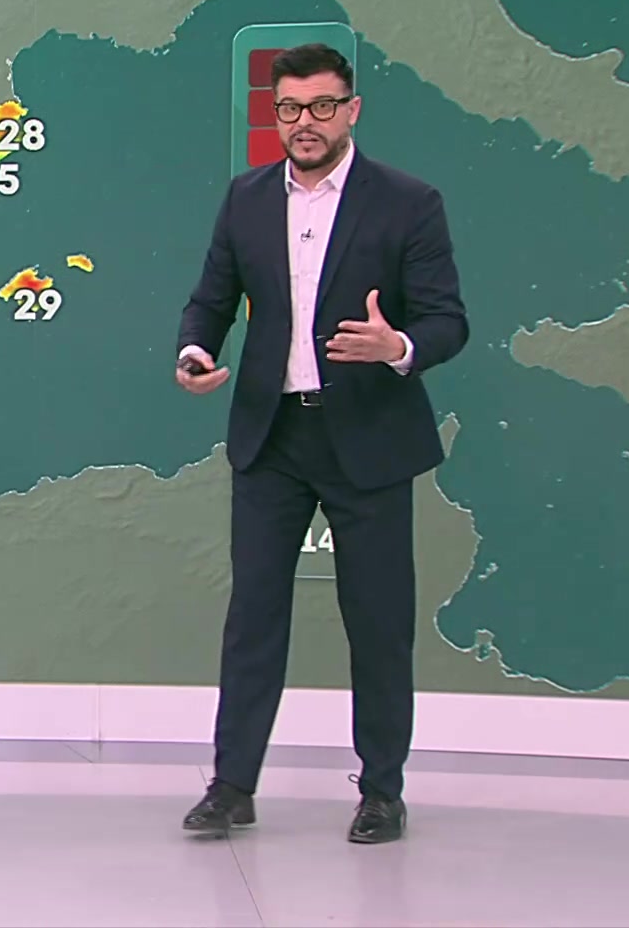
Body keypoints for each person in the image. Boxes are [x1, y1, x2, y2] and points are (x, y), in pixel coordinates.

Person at [173, 42, 468, 844]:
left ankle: (381, 793)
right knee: (254, 617)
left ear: (352, 110)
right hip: (271, 438)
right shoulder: (245, 199)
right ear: (276, 115)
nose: (306, 122)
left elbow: (447, 320)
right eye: (291, 109)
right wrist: (196, 350)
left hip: (369, 439)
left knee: (378, 623)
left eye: (323, 106)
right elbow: (212, 299)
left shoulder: (408, 203)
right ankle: (232, 786)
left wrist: (398, 346)